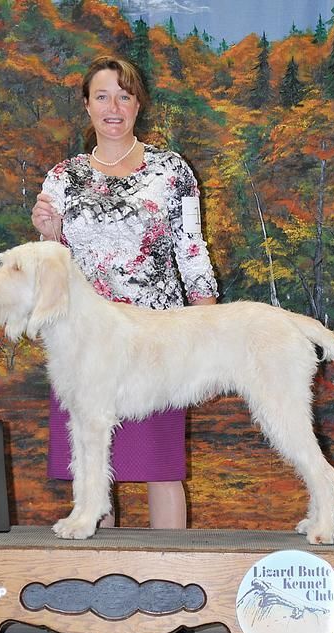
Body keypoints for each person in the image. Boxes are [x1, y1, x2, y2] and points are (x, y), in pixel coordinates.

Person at [31, 55, 218, 531]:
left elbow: (191, 248)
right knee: (94, 471)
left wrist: (209, 328)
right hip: (85, 343)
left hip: (157, 341)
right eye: (102, 96)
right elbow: (52, 268)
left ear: (138, 104)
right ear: (86, 106)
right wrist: (49, 234)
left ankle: (171, 586)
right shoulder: (62, 176)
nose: (113, 106)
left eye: (124, 95)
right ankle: (104, 588)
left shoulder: (172, 170)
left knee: (162, 469)